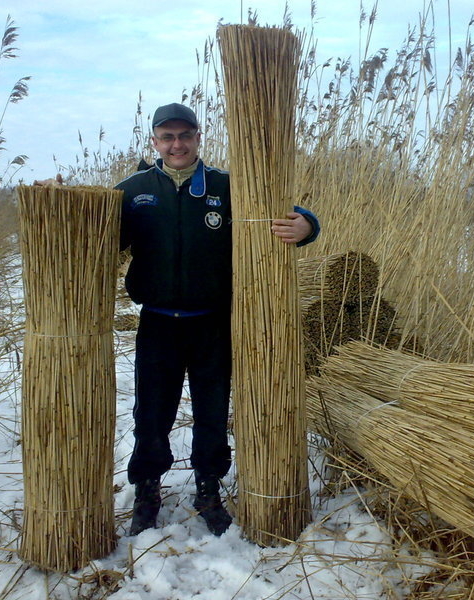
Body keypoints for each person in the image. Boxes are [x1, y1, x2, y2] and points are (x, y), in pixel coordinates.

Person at [114, 103, 320, 537]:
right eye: (167, 137)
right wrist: (61, 197)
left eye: (184, 135)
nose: (176, 144)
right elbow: (93, 228)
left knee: (211, 410)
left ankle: (209, 487)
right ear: (154, 140)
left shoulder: (229, 186)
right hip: (157, 323)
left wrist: (307, 225)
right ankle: (147, 489)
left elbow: (288, 211)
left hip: (213, 322)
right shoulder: (133, 191)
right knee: (151, 412)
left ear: (197, 137)